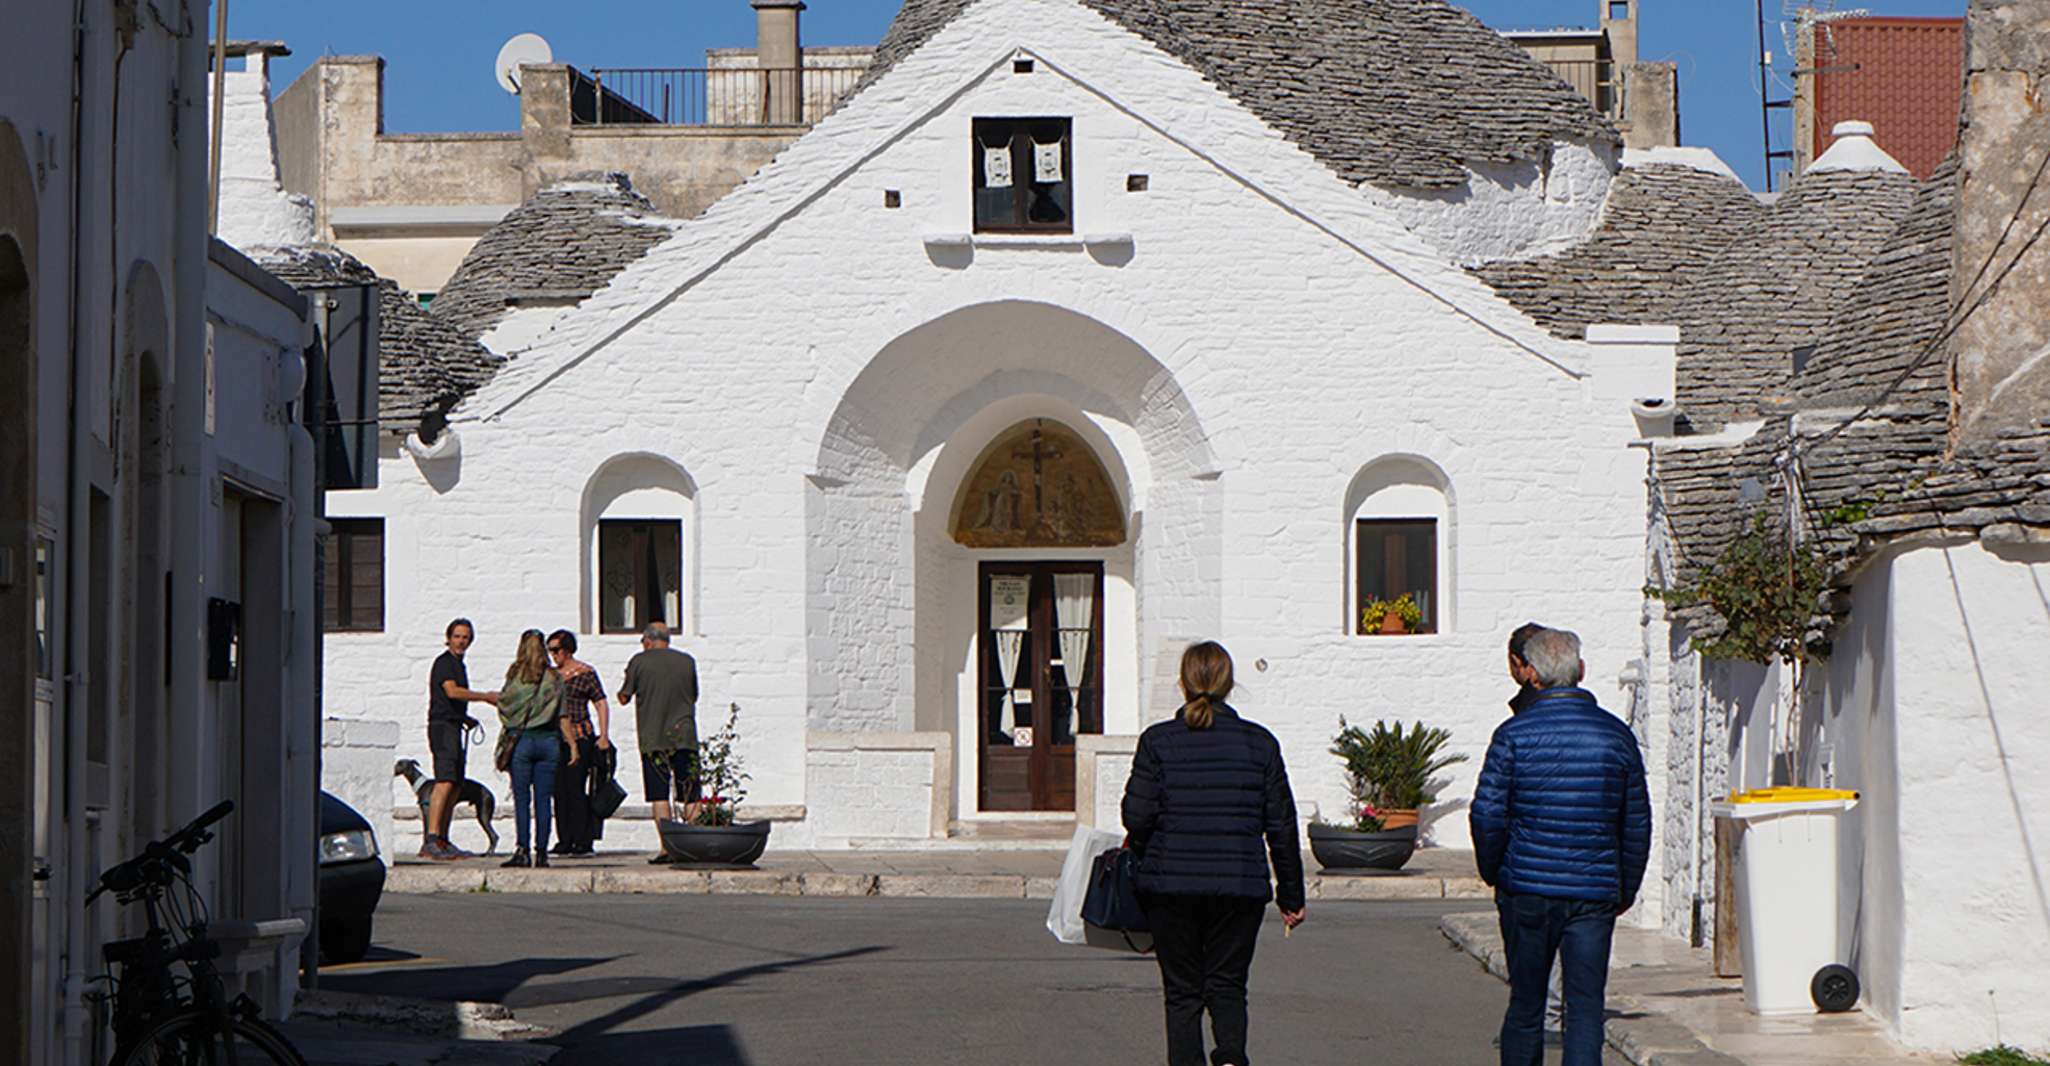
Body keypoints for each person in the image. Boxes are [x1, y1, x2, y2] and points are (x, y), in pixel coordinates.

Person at [1471, 627, 1651, 1066]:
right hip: (1593, 890)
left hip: (1527, 888)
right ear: (1581, 671)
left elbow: (1487, 815)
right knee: (1586, 1006)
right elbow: (1636, 823)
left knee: (1527, 1004)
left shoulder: (1513, 734)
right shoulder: (1615, 736)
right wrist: (1624, 887)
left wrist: (1497, 871)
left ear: (1530, 673)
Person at [1121, 641, 1306, 1066]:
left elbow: (1137, 816)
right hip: (1239, 885)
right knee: (1227, 985)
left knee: (1182, 992)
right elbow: (1280, 824)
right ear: (1229, 684)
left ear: (1183, 683)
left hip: (1170, 887)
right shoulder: (1259, 744)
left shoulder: (1158, 742)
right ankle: (1229, 1058)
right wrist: (1291, 896)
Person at [1505, 621, 1567, 1043]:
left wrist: (1496, 864)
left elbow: (1494, 805)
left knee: (1532, 952)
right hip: (1585, 864)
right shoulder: (1605, 728)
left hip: (1533, 859)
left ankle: (1545, 1019)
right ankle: (1554, 1015)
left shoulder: (1520, 726)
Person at [617, 622, 700, 865]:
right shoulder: (687, 661)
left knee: (659, 794)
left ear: (648, 641)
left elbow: (624, 697)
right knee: (691, 793)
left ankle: (667, 848)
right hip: (684, 735)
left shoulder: (639, 661)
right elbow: (694, 695)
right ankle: (696, 844)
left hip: (653, 738)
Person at [496, 629, 573, 869]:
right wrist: (572, 745)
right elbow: (562, 714)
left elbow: (505, 705)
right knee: (544, 800)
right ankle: (542, 852)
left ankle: (522, 849)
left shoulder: (515, 674)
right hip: (549, 741)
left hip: (524, 741)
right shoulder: (554, 677)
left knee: (522, 799)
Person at [423, 618, 498, 861]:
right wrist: (485, 697)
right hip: (443, 728)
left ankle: (443, 838)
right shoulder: (444, 663)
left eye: (465, 637)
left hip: (454, 726)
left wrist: (465, 718)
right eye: (457, 636)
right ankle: (432, 838)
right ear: (449, 637)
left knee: (455, 783)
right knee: (444, 781)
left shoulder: (458, 664)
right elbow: (452, 691)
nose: (461, 641)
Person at [547, 629, 611, 856]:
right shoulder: (551, 676)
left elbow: (600, 703)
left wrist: (603, 735)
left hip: (580, 735)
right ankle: (564, 839)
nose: (553, 655)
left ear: (567, 649)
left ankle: (583, 839)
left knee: (576, 787)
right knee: (558, 790)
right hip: (555, 739)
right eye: (550, 650)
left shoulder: (585, 673)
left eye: (556, 650)